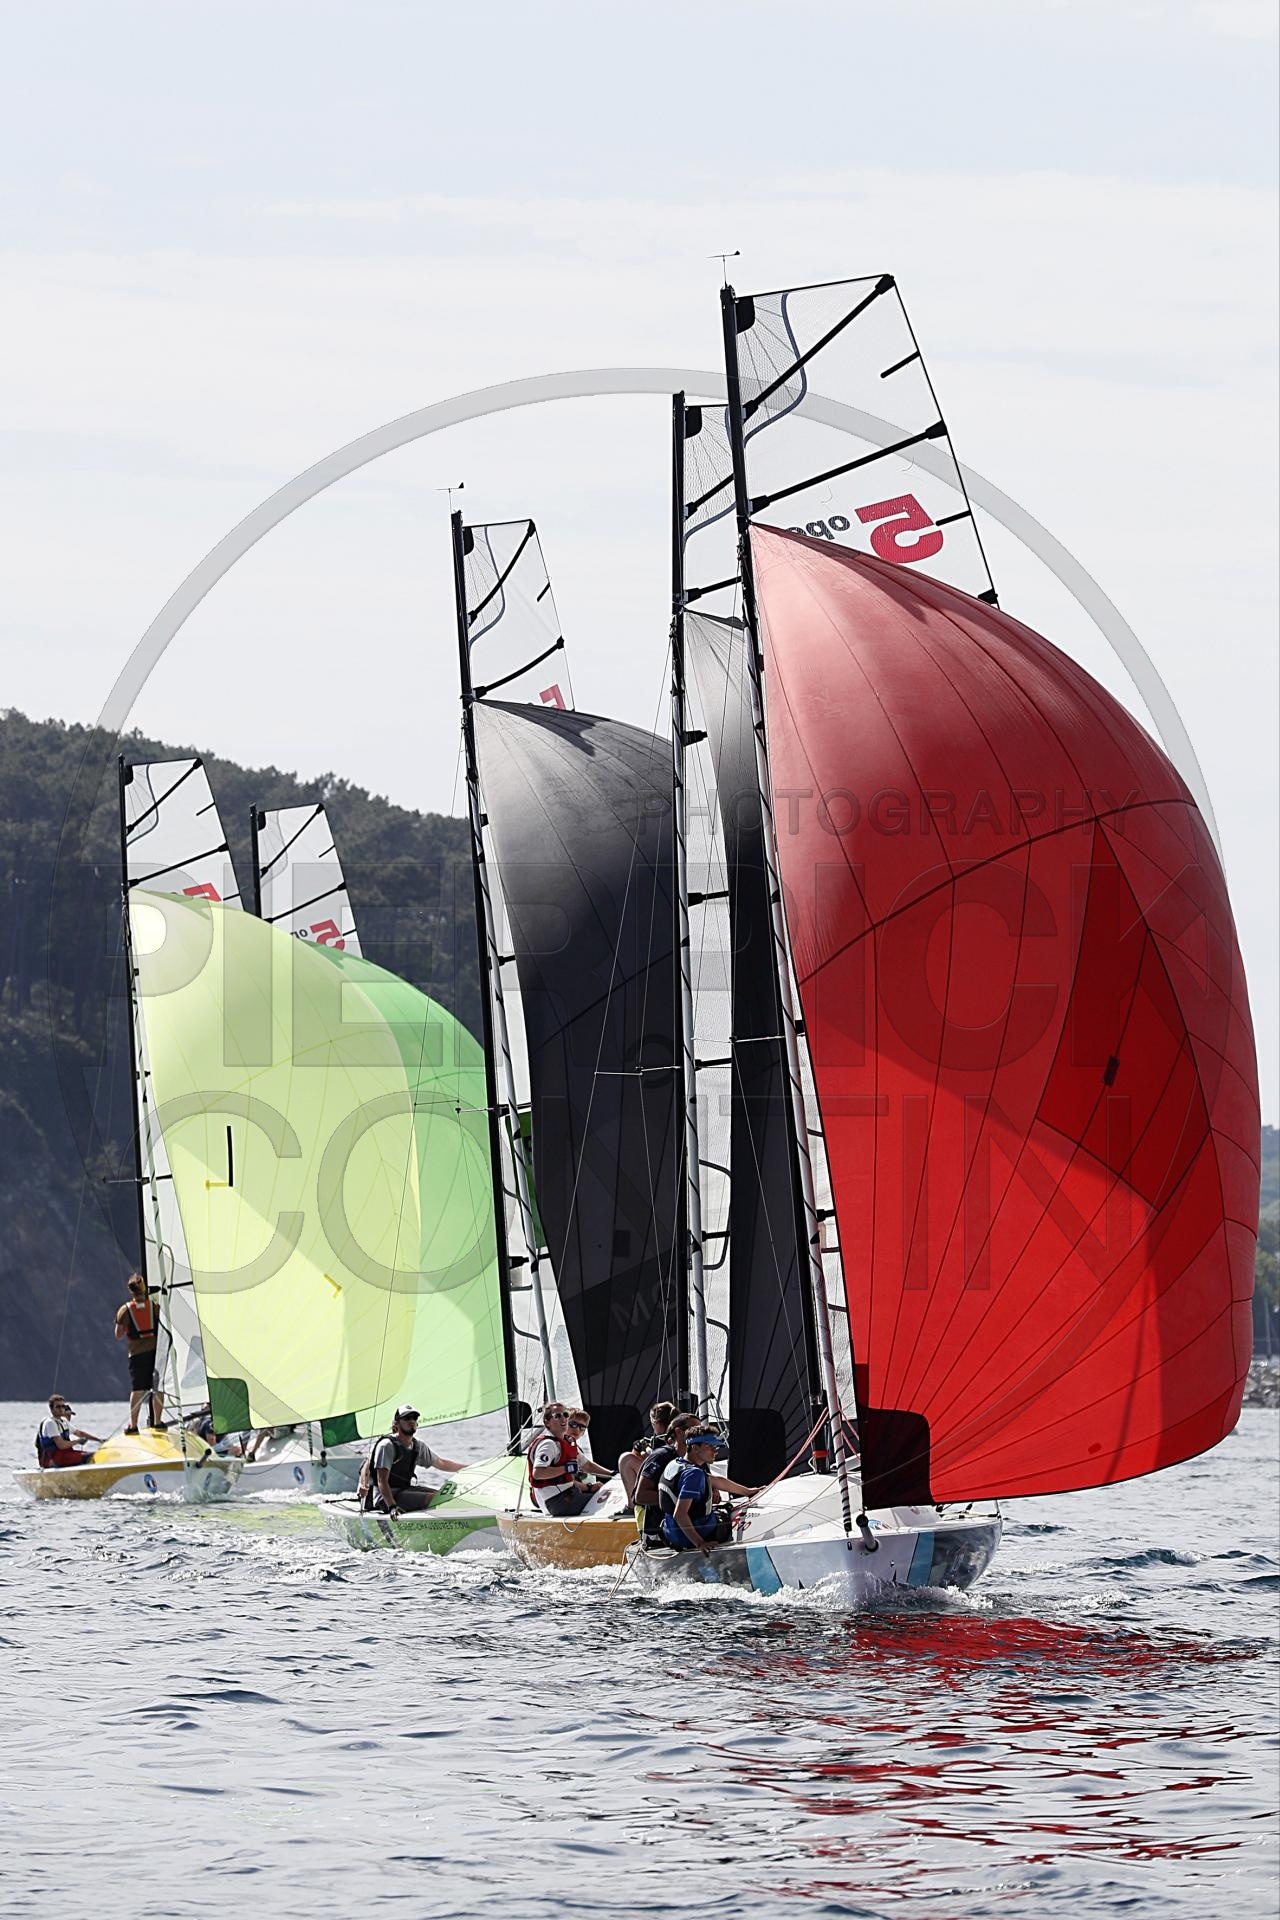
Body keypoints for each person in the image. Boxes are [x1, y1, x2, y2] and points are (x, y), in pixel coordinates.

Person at [659, 1428, 760, 1554]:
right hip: (693, 1537)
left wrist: (749, 1492)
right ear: (695, 1448)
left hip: (673, 1535)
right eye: (710, 1446)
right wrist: (700, 1543)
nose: (715, 1451)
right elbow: (679, 1514)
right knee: (726, 1514)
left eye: (716, 1447)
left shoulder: (676, 1464)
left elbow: (717, 1481)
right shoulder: (693, 1474)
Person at [358, 1406, 467, 1516]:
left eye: (414, 1418)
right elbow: (382, 1481)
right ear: (396, 1424)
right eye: (407, 1418)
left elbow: (441, 1463)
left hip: (404, 1490)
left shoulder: (418, 1446)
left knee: (445, 1496)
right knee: (435, 1499)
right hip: (385, 1498)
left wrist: (469, 1468)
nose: (411, 1421)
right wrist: (392, 1507)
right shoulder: (387, 1446)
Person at [526, 1402, 614, 1517]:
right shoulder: (548, 1444)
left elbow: (587, 1466)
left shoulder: (567, 1443)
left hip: (569, 1495)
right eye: (557, 1416)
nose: (563, 1418)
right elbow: (538, 1473)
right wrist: (566, 1469)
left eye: (565, 1415)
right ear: (547, 1422)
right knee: (608, 1500)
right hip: (559, 1501)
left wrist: (612, 1474)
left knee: (607, 1497)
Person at [634, 1410, 700, 1542]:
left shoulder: (698, 1456)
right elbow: (640, 1496)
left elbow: (712, 1482)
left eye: (700, 1430)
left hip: (689, 1525)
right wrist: (679, 1499)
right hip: (658, 1528)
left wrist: (714, 1491)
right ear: (679, 1432)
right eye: (694, 1430)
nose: (699, 1433)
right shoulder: (660, 1456)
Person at [114, 1272, 162, 1433]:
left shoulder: (125, 1310)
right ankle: (158, 1422)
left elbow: (118, 1334)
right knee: (158, 1387)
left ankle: (133, 1425)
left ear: (131, 1290)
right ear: (144, 1288)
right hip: (156, 1353)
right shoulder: (155, 1306)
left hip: (136, 1354)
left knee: (137, 1389)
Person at [617, 1400, 676, 1501]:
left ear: (657, 1423)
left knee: (626, 1459)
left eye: (652, 1423)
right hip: (671, 1478)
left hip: (666, 1479)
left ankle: (631, 1504)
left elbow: (657, 1461)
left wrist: (644, 1452)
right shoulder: (678, 1434)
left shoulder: (662, 1442)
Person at [35, 1395, 102, 1469]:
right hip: (54, 1459)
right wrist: (78, 1441)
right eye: (58, 1407)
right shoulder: (50, 1423)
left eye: (63, 1406)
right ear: (51, 1409)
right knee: (89, 1457)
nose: (61, 1409)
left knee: (95, 1454)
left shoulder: (64, 1421)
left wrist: (99, 1440)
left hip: (65, 1455)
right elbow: (61, 1445)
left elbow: (80, 1433)